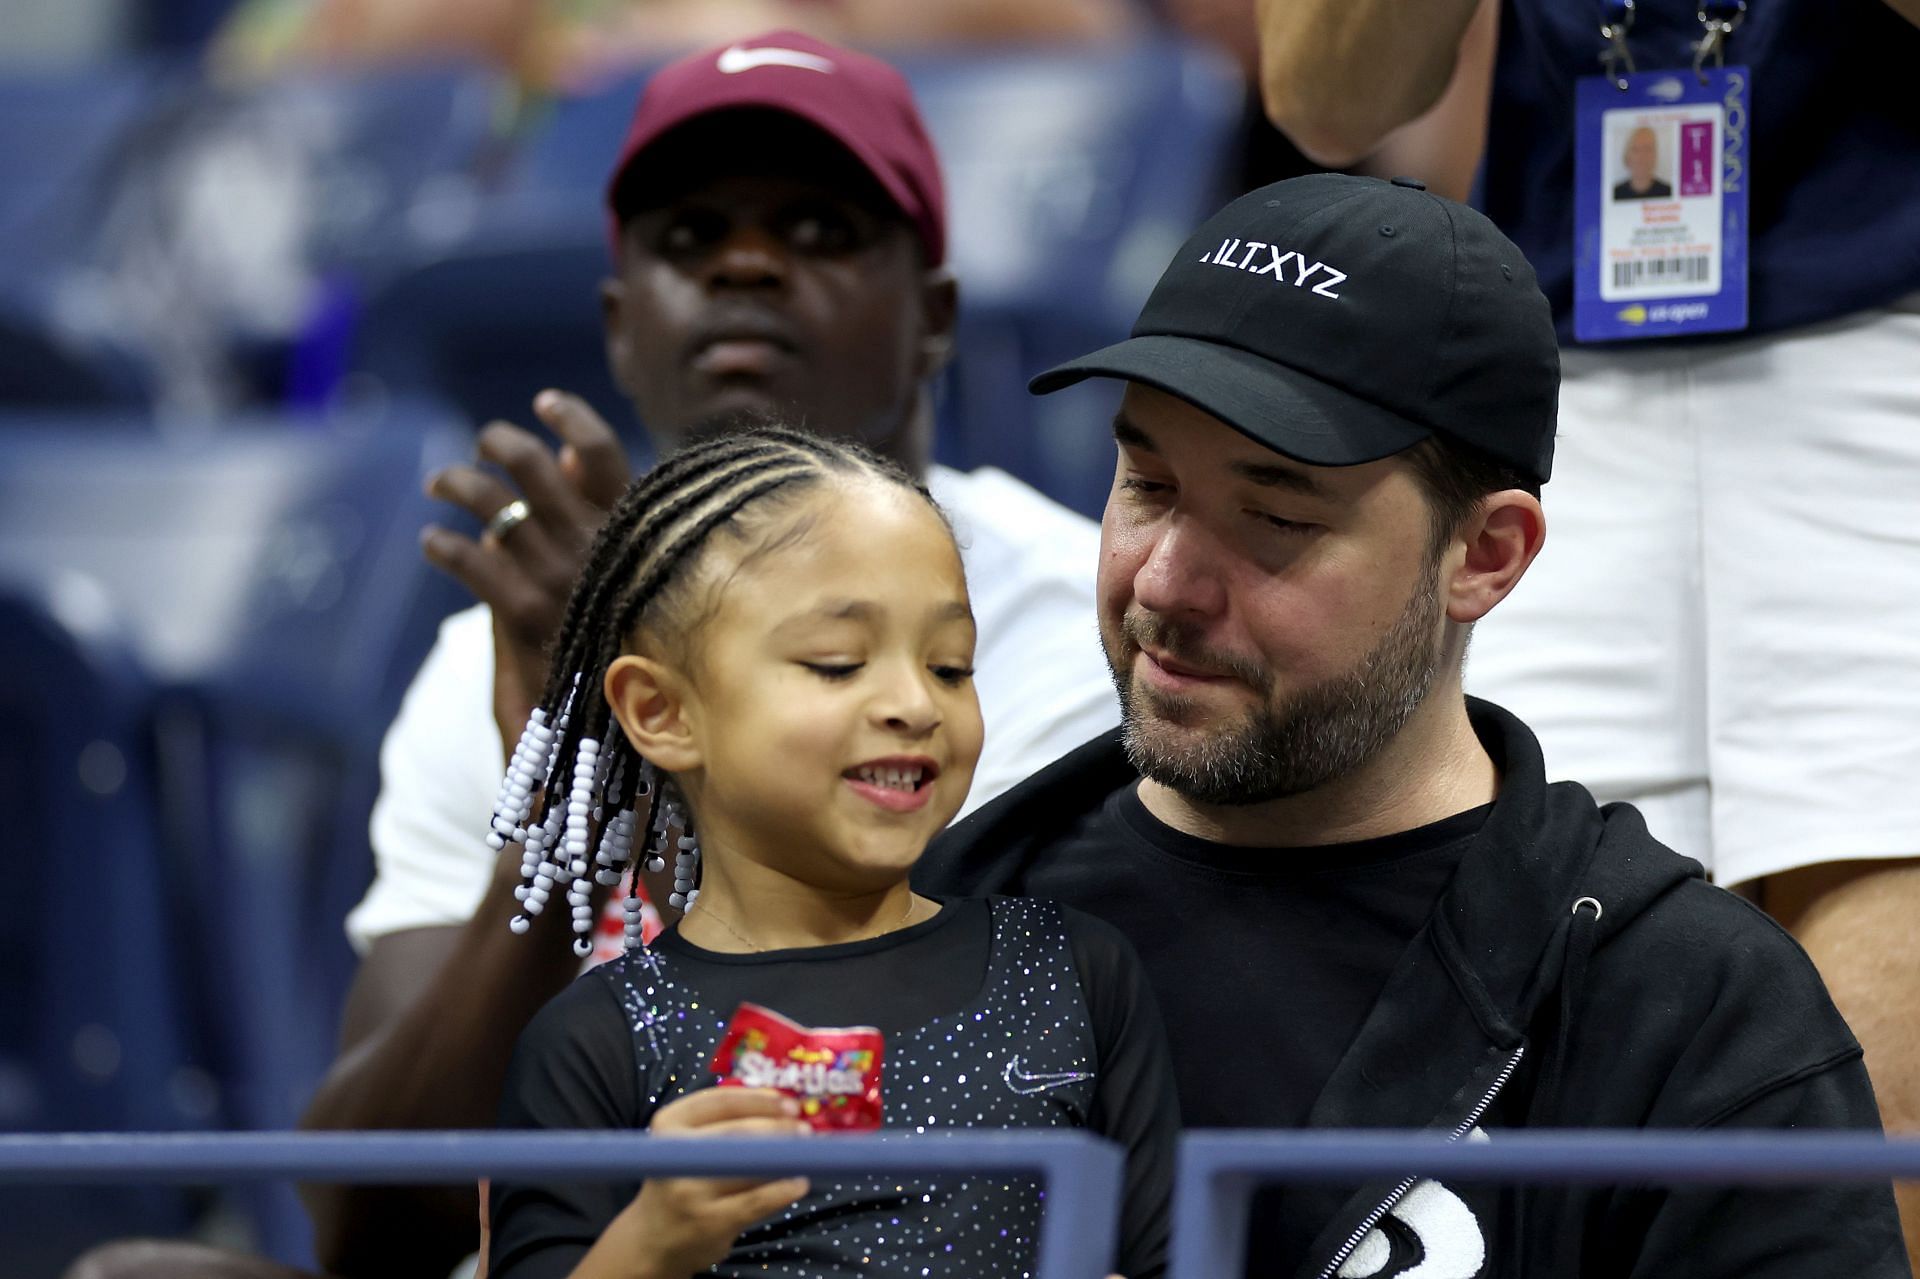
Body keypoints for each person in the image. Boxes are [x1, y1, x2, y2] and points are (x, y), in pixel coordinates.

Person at [61, 32, 1115, 1279]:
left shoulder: (1069, 632)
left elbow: (929, 1145)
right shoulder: (497, 652)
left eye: (819, 231)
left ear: (932, 314)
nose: (743, 265)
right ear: (622, 328)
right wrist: (573, 794)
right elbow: (373, 1225)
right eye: (688, 238)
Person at [914, 172, 1912, 1276]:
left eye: (1277, 518)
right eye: (1146, 483)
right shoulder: (925, 923)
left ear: (1484, 556)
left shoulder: (1685, 1008)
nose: (1166, 582)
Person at [1255, 0, 1920, 1264]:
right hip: (1572, 394)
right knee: (1535, 1075)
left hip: (1896, 367)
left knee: (1883, 1125)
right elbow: (1324, 95)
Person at [483, 423, 1175, 1279]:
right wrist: (651, 1244)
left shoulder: (1073, 970)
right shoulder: (596, 1041)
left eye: (951, 666)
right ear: (661, 711)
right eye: (838, 663)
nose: (913, 703)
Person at [1611, 125, 1671, 201]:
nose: (1642, 157)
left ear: (1655, 155)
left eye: (1648, 149)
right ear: (1627, 156)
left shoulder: (1668, 192)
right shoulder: (1615, 193)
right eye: (1636, 150)